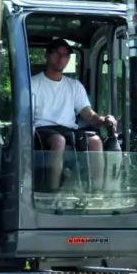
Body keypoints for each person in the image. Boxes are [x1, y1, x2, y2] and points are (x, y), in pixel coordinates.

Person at [32, 38, 118, 192]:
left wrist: (103, 120)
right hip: (41, 130)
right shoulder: (33, 83)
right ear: (47, 55)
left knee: (96, 141)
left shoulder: (74, 86)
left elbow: (88, 114)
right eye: (57, 54)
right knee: (59, 141)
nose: (61, 59)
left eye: (65, 55)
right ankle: (52, 192)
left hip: (69, 130)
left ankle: (96, 193)